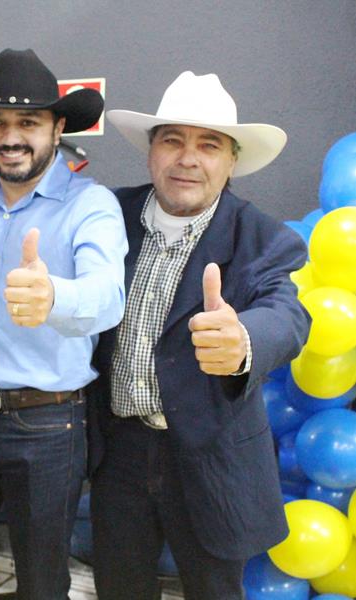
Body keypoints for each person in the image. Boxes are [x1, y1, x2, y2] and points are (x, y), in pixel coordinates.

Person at [88, 71, 311, 600]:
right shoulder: (106, 215)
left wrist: (243, 343)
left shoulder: (261, 236)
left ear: (231, 162)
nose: (188, 159)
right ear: (151, 152)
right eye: (172, 140)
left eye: (208, 145)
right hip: (117, 450)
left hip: (212, 458)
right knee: (118, 589)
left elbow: (288, 313)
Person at [0, 49, 127, 600]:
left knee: (40, 585)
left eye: (28, 123)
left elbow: (108, 297)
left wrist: (54, 296)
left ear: (58, 127)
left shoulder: (92, 206)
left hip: (48, 428)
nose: (10, 137)